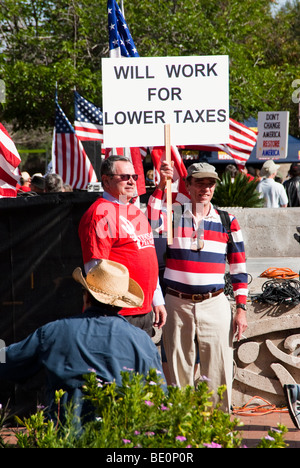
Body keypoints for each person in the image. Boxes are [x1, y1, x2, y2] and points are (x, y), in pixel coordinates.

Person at [0, 259, 167, 423]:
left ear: (87, 295)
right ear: (121, 303)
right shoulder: (141, 341)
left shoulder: (54, 332)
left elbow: (7, 361)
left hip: (67, 437)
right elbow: (160, 397)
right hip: (121, 440)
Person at [147, 161, 248, 412]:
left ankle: (217, 429)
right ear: (188, 185)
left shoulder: (227, 220)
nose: (205, 188)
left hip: (215, 304)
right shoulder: (172, 216)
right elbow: (150, 221)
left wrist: (241, 309)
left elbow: (238, 267)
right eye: (200, 183)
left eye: (210, 183)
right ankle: (183, 429)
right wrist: (161, 185)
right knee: (179, 370)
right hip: (176, 303)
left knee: (218, 369)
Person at [78, 155, 167, 337]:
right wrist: (108, 312)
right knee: (120, 365)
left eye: (134, 176)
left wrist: (157, 299)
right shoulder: (99, 213)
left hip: (144, 309)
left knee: (141, 365)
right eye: (124, 177)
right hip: (117, 313)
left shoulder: (134, 210)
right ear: (106, 180)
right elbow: (95, 270)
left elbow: (149, 258)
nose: (131, 181)